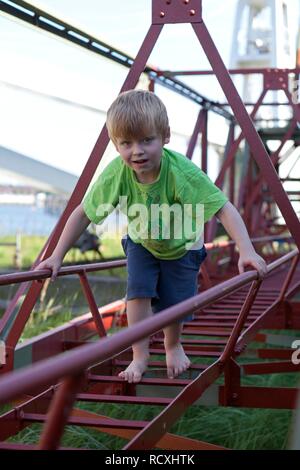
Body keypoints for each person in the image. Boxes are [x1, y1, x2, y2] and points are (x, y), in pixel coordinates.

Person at [34, 90, 267, 384]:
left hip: (183, 246)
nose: (137, 151)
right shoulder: (118, 172)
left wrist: (246, 250)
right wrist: (56, 255)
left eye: (147, 140)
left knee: (174, 302)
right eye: (126, 143)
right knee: (138, 292)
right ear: (116, 144)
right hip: (142, 241)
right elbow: (83, 213)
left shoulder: (182, 172)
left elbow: (224, 208)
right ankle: (139, 355)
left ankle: (173, 346)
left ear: (166, 136)